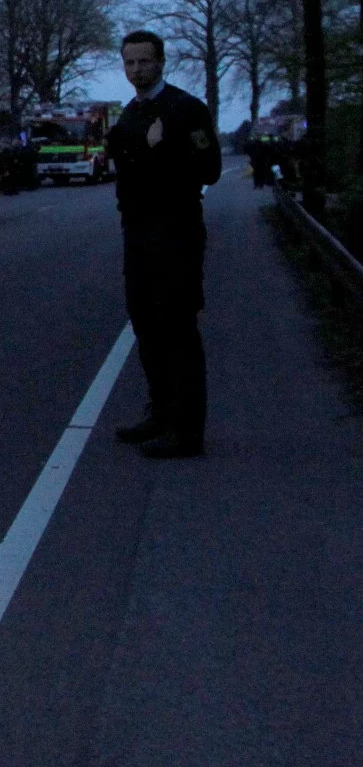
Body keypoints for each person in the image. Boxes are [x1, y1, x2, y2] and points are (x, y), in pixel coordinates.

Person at [106, 31, 223, 459]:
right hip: (136, 234)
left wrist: (161, 147)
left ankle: (187, 430)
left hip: (176, 235)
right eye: (130, 63)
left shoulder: (186, 109)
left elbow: (209, 170)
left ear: (161, 62)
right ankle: (160, 412)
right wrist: (144, 147)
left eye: (144, 62)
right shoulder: (131, 114)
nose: (137, 69)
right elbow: (123, 161)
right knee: (146, 325)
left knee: (178, 329)